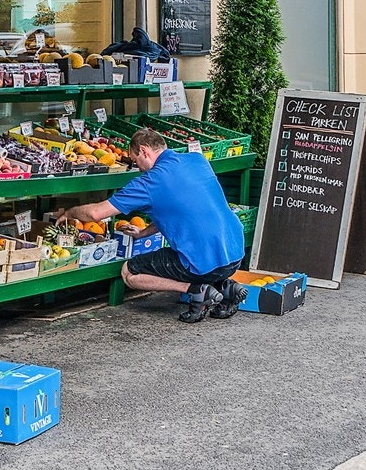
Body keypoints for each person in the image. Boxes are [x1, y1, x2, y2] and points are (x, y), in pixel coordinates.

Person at [61, 128, 247, 323]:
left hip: (202, 263)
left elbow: (95, 214)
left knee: (129, 272)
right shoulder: (197, 160)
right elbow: (178, 208)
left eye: (135, 161)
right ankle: (226, 288)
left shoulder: (149, 182)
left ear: (144, 151)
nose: (138, 168)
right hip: (235, 254)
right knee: (203, 262)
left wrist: (69, 213)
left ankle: (196, 290)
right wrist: (143, 233)